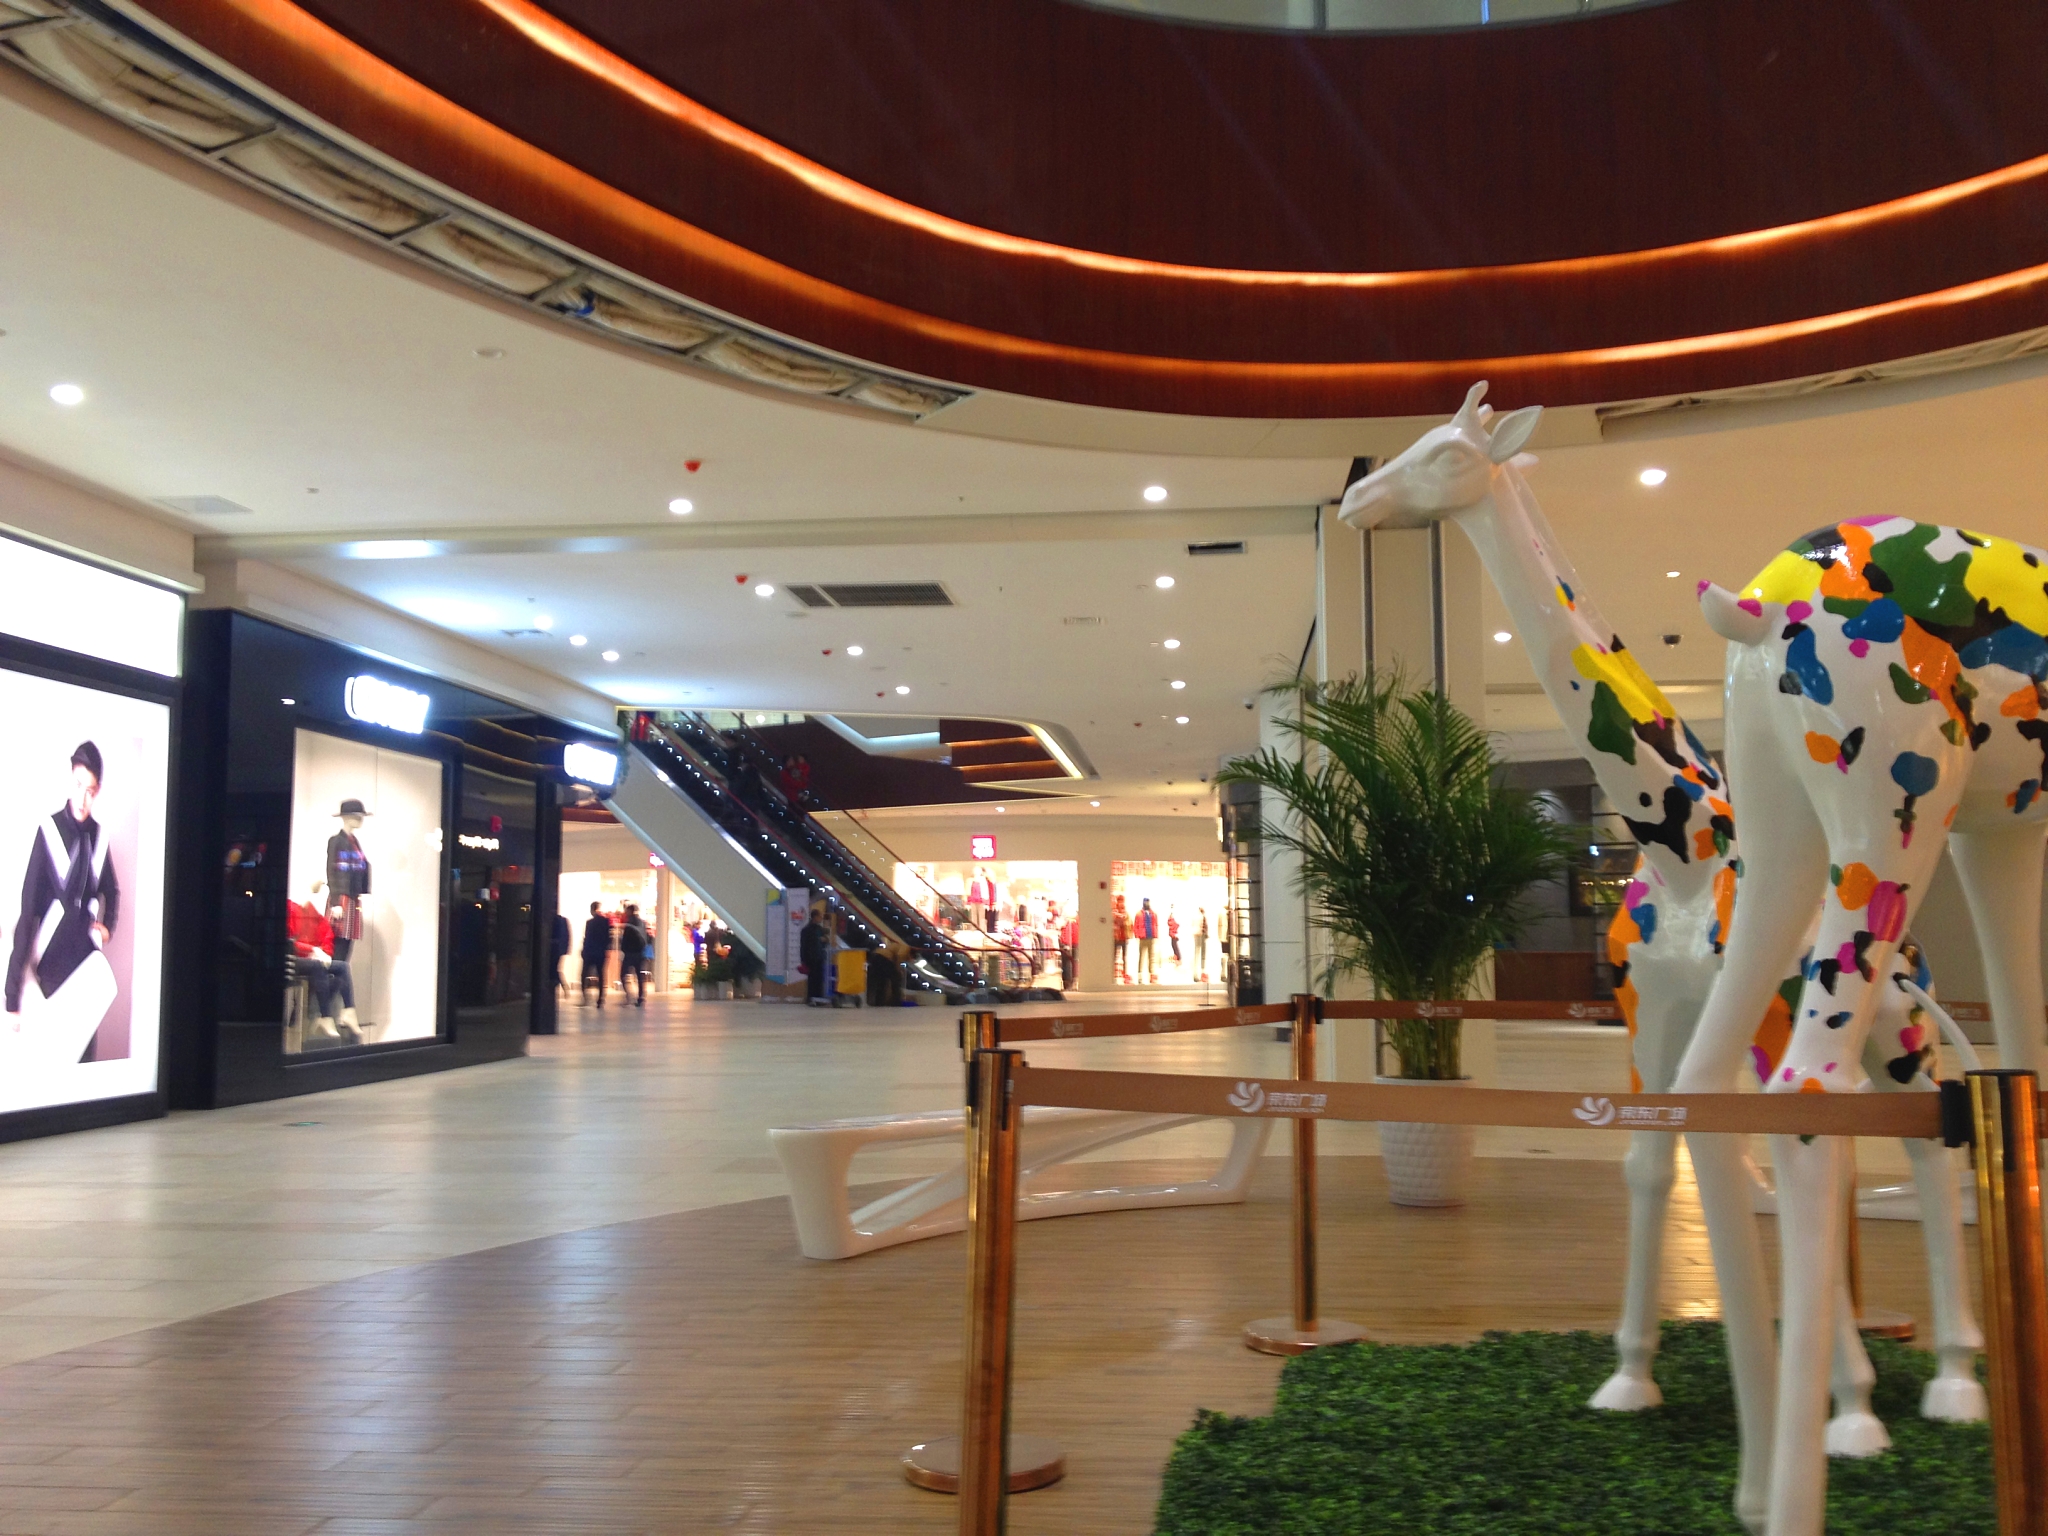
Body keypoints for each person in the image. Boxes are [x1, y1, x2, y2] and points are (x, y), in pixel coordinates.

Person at [6, 741, 121, 1062]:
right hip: (52, 969)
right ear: (70, 779)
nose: (83, 798)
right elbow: (28, 910)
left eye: (91, 790)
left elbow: (112, 891)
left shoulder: (101, 838)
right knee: (56, 1063)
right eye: (78, 785)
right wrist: (12, 995)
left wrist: (108, 927)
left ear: (98, 791)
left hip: (88, 966)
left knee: (86, 1062)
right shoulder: (48, 831)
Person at [286, 880, 347, 1040]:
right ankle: (324, 1016)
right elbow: (289, 942)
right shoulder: (290, 909)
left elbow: (327, 936)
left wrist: (323, 952)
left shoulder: (314, 915)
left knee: (341, 969)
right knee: (318, 967)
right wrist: (312, 950)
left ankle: (344, 1012)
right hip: (295, 959)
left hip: (310, 959)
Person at [579, 900, 612, 1007]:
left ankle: (585, 998)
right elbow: (608, 938)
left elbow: (587, 938)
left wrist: (583, 950)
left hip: (590, 951)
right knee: (601, 975)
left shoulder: (590, 923)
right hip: (600, 952)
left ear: (592, 909)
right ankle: (601, 999)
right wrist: (606, 949)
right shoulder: (606, 922)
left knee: (584, 975)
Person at [618, 902, 650, 1006]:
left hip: (630, 953)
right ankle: (641, 996)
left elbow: (626, 938)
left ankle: (629, 995)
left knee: (623, 975)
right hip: (640, 952)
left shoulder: (630, 923)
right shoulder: (641, 923)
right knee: (639, 976)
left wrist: (623, 948)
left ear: (630, 911)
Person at [798, 907, 828, 1007]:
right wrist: (803, 959)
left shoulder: (820, 929)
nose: (821, 918)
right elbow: (804, 945)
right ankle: (811, 998)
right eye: (820, 916)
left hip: (820, 957)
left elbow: (825, 941)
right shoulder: (807, 930)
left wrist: (825, 940)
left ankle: (819, 998)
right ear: (815, 917)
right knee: (812, 979)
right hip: (811, 957)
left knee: (820, 979)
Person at [1134, 898, 1159, 984]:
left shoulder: (1153, 914)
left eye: (1148, 902)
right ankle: (1140, 976)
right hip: (1142, 938)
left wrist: (1155, 935)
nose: (1146, 904)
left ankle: (1151, 976)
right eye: (1145, 902)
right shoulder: (1139, 914)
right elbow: (1136, 926)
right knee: (1141, 957)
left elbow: (1155, 925)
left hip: (1150, 937)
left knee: (1151, 958)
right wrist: (1137, 935)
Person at [551, 911, 571, 996]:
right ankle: (564, 987)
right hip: (559, 949)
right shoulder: (563, 920)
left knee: (554, 969)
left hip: (554, 949)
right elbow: (567, 936)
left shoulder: (552, 920)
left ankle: (564, 986)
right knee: (556, 969)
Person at [1112, 897, 1130, 983]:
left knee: (1124, 957)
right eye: (1120, 901)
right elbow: (1117, 919)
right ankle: (1113, 973)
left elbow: (1126, 920)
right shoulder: (1114, 911)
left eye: (1122, 901)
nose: (1121, 903)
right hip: (1116, 937)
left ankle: (1124, 973)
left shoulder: (1125, 912)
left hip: (1123, 937)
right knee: (1114, 956)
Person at [1194, 908, 1210, 983]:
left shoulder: (1201, 916)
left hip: (1200, 935)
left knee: (1200, 954)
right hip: (1199, 935)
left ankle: (1199, 974)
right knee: (1200, 954)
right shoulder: (1201, 916)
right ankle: (1199, 974)